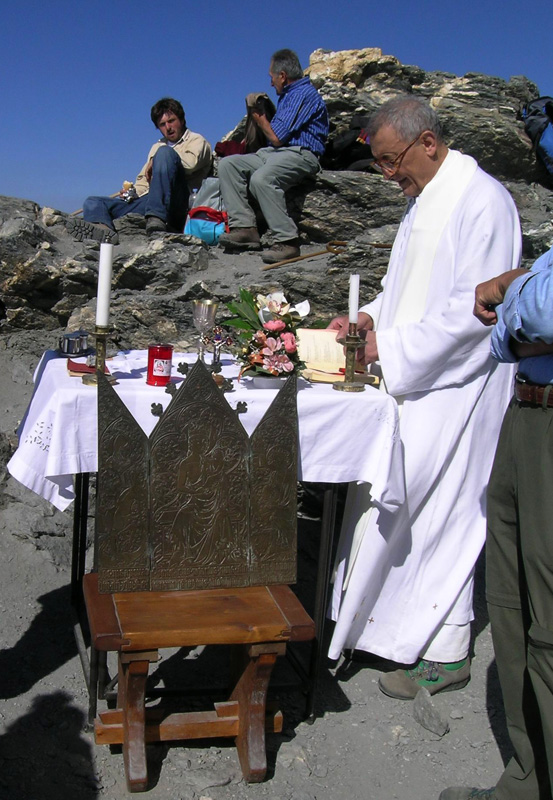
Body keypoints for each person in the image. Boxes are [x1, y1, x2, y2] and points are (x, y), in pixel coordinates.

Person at [327, 95, 522, 700]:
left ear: (429, 143)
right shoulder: (424, 198)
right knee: (397, 506)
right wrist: (365, 319)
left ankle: (445, 649)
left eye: (392, 162)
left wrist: (391, 348)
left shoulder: (481, 200)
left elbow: (475, 313)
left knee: (446, 513)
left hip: (460, 385)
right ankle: (380, 629)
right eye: (382, 164)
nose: (390, 176)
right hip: (416, 378)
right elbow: (403, 288)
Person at [441, 246, 553, 800]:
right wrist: (523, 298)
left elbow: (546, 315)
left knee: (549, 616)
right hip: (527, 408)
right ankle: (529, 778)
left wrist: (511, 289)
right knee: (512, 602)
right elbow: (509, 341)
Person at [217, 48, 329, 265]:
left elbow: (276, 137)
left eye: (272, 78)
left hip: (301, 154)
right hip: (276, 153)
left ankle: (287, 240)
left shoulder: (302, 94)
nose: (271, 83)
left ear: (283, 76)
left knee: (262, 179)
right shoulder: (289, 96)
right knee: (229, 165)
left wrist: (260, 119)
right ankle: (244, 228)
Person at [67, 98, 212, 244]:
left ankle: (157, 219)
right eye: (162, 124)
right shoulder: (157, 146)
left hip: (179, 201)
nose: (168, 127)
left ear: (181, 119)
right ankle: (102, 228)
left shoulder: (196, 141)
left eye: (171, 121)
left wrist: (158, 159)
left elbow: (191, 165)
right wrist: (132, 193)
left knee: (165, 153)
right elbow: (143, 182)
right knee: (94, 201)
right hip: (151, 200)